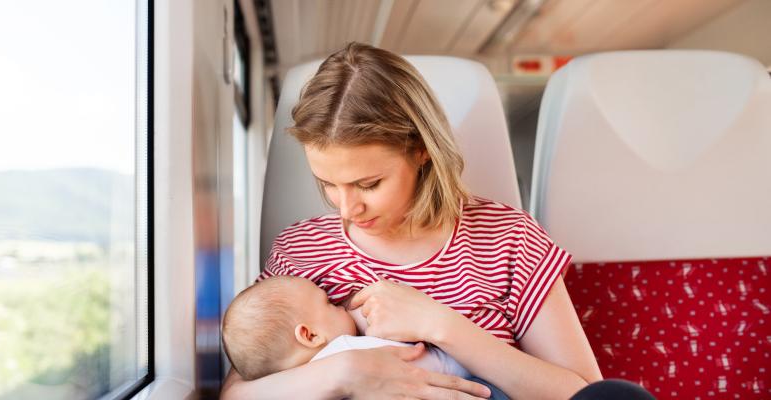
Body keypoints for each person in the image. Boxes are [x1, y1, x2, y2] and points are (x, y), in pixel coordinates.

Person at [221, 42, 644, 399]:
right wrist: (343, 372)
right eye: (328, 183)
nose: (346, 209)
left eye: (368, 184)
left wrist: (441, 325)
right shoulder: (301, 250)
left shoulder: (510, 238)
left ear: (421, 150)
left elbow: (584, 393)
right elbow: (236, 394)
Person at [222, 275, 509, 399]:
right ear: (310, 335)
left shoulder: (294, 387)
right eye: (330, 304)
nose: (341, 306)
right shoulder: (347, 348)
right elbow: (432, 364)